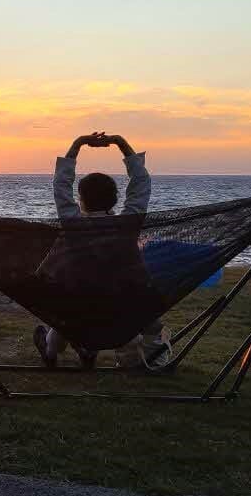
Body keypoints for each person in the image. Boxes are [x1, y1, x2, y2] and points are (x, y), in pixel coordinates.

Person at [32, 131, 170, 370]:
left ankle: (53, 350)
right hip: (120, 311)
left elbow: (60, 185)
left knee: (65, 308)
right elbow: (141, 184)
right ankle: (88, 349)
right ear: (116, 199)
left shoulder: (73, 224)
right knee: (95, 304)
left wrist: (77, 144)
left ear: (81, 200)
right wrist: (121, 143)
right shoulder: (127, 225)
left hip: (75, 309)